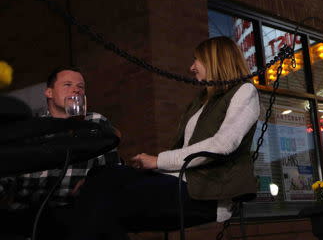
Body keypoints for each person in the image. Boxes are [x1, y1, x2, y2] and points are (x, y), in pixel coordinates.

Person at [69, 36, 260, 239]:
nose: (191, 67)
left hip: (209, 193)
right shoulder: (201, 101)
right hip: (180, 180)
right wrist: (94, 184)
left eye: (197, 60)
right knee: (102, 175)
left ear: (215, 60)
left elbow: (223, 144)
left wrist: (157, 161)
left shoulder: (245, 91)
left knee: (113, 201)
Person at [0, 67, 120, 239]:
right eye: (68, 84)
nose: (76, 89)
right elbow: (7, 172)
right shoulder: (32, 128)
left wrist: (95, 183)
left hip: (76, 210)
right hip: (29, 210)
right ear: (49, 92)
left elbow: (113, 170)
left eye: (81, 86)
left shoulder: (95, 123)